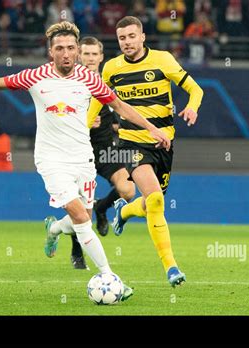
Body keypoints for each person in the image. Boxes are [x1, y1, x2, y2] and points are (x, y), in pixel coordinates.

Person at [0, 21, 171, 300]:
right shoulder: (35, 76)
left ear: (78, 51)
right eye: (59, 49)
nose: (65, 53)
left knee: (83, 219)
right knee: (81, 217)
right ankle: (109, 276)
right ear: (50, 52)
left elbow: (120, 107)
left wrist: (152, 129)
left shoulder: (89, 79)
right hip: (51, 160)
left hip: (83, 159)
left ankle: (54, 228)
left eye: (70, 48)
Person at [91, 16, 204, 287]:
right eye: (122, 38)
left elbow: (195, 89)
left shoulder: (163, 60)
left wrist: (192, 107)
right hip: (131, 144)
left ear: (142, 37)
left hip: (164, 145)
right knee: (154, 201)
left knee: (153, 203)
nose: (127, 42)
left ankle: (125, 212)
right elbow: (98, 101)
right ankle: (171, 267)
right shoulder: (111, 69)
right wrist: (85, 126)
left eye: (132, 36)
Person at [68, 36, 136, 270]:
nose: (89, 58)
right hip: (78, 149)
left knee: (128, 189)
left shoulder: (108, 84)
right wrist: (84, 122)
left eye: (94, 54)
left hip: (106, 149)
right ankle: (77, 251)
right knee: (78, 205)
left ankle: (102, 207)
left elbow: (117, 118)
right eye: (85, 54)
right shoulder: (71, 83)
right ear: (79, 56)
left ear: (101, 57)